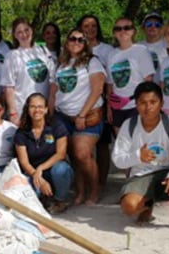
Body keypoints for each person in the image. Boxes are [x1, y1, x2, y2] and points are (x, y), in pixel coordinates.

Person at [113, 82, 169, 229]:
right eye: (143, 103)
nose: (148, 107)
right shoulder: (129, 125)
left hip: (167, 174)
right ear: (136, 104)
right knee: (129, 207)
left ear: (161, 103)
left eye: (153, 102)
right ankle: (147, 205)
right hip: (140, 175)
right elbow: (118, 159)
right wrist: (138, 156)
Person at [49, 29, 106, 205]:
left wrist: (81, 114)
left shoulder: (92, 62)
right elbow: (53, 90)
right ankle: (80, 192)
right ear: (67, 42)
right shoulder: (61, 63)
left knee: (82, 154)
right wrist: (50, 113)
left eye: (81, 40)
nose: (76, 42)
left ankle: (94, 189)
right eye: (72, 38)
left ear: (85, 44)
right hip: (63, 116)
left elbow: (97, 89)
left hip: (87, 116)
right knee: (72, 156)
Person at [14, 93, 74, 214]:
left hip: (53, 170)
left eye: (40, 107)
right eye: (33, 107)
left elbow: (61, 154)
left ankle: (60, 201)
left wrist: (41, 168)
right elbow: (24, 162)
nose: (37, 110)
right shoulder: (21, 132)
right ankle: (43, 198)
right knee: (30, 194)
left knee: (61, 169)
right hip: (33, 173)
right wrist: (37, 176)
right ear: (28, 109)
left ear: (46, 109)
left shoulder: (56, 126)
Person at [77, 14, 115, 186]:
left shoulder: (107, 50)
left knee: (102, 144)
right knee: (83, 145)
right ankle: (87, 181)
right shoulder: (76, 49)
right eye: (86, 26)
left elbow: (110, 79)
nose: (90, 29)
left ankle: (102, 182)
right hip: (81, 102)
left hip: (103, 100)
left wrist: (109, 104)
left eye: (93, 25)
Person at [1, 17, 56, 125]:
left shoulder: (43, 51)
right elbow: (8, 87)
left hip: (43, 110)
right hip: (22, 111)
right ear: (15, 35)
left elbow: (53, 80)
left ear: (32, 30)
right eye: (19, 32)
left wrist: (50, 105)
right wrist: (13, 113)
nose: (24, 34)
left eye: (26, 30)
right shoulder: (11, 56)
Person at [105, 18, 155, 135]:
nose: (123, 31)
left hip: (136, 105)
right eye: (118, 29)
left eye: (127, 28)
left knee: (138, 143)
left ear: (133, 31)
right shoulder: (111, 54)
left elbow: (148, 81)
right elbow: (110, 83)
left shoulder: (141, 51)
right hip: (117, 106)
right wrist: (109, 106)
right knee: (122, 143)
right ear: (114, 33)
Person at [141, 11, 168, 81]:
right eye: (149, 24)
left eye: (157, 25)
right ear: (143, 28)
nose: (153, 27)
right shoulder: (137, 47)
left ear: (161, 29)